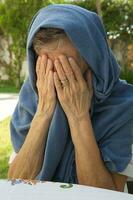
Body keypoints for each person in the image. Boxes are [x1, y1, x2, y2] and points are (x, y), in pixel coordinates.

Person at [8, 4, 133, 192]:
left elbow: (105, 194)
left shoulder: (124, 106)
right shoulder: (33, 95)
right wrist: (43, 112)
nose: (58, 77)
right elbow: (16, 184)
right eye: (48, 66)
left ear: (94, 61)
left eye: (67, 66)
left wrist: (79, 117)